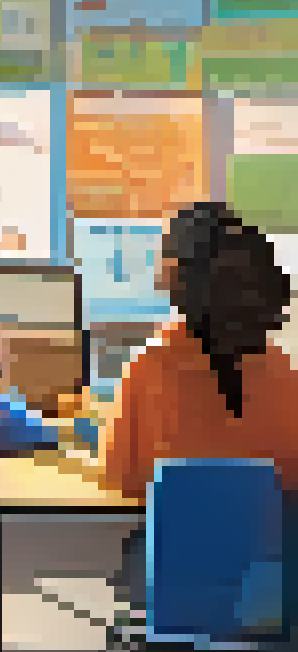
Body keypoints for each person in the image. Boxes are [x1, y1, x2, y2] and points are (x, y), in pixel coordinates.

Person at [103, 203, 298, 614]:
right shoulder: (286, 370)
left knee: (154, 558)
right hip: (272, 584)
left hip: (179, 574)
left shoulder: (149, 365)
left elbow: (125, 479)